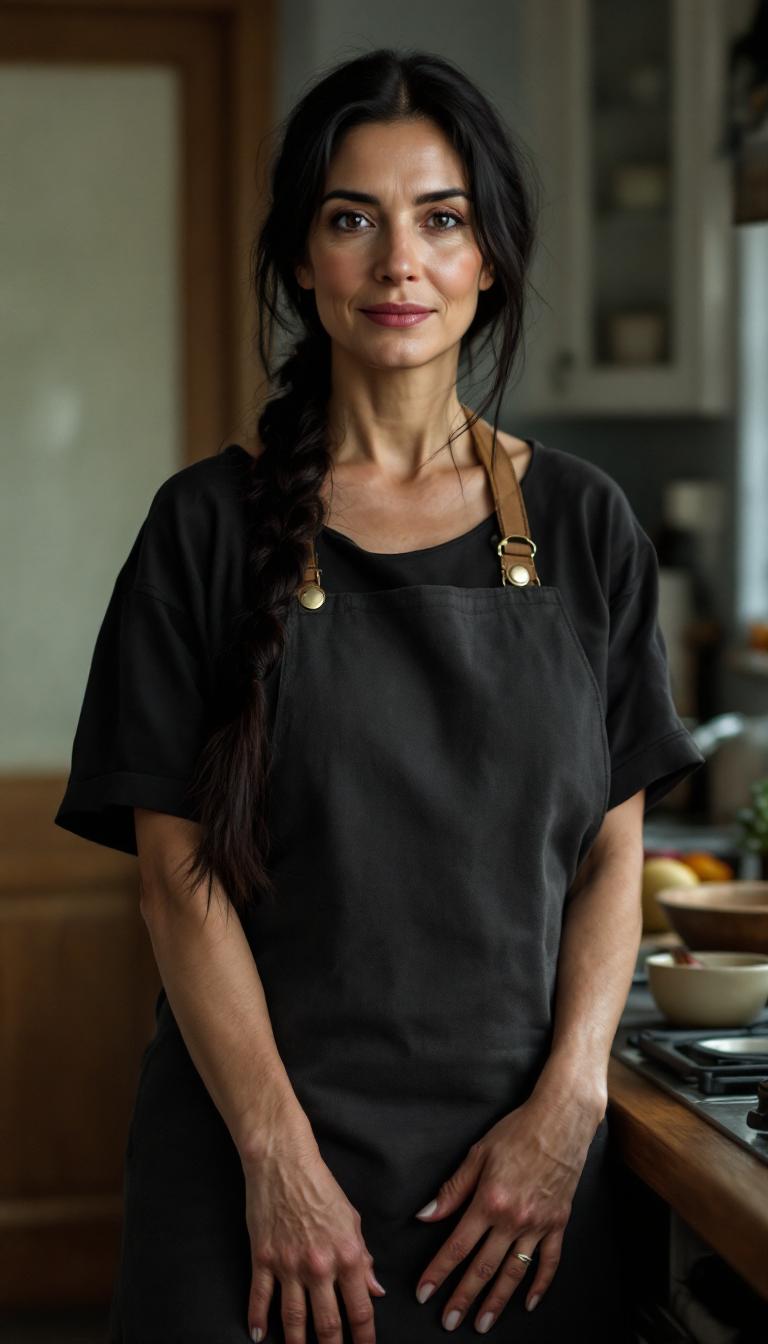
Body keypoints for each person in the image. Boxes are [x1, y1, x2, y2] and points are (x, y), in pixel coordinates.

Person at [54, 47, 705, 1344]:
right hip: (248, 1178)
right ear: (304, 260)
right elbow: (176, 883)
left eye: (441, 220)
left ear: (490, 258)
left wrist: (571, 1105)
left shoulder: (584, 525)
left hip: (514, 1194)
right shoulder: (203, 529)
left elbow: (610, 855)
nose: (400, 262)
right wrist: (276, 1159)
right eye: (353, 219)